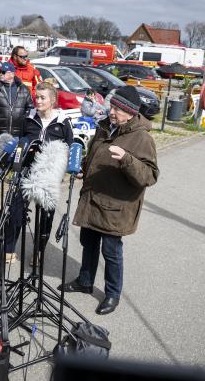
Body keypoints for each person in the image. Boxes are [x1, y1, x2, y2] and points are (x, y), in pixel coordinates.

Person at [61, 86, 159, 315]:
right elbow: (96, 154)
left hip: (117, 207)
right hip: (93, 199)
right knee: (89, 242)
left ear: (130, 112)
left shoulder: (141, 138)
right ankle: (85, 281)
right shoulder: (106, 126)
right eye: (112, 106)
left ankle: (113, 294)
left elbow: (150, 176)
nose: (111, 111)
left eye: (116, 108)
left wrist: (126, 159)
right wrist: (83, 168)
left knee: (111, 252)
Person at [5, 81, 73, 263]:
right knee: (15, 211)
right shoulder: (28, 117)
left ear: (53, 100)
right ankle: (9, 249)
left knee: (45, 216)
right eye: (37, 96)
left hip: (48, 176)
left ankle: (38, 251)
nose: (38, 100)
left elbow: (69, 147)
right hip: (26, 171)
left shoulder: (63, 122)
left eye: (42, 97)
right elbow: (19, 141)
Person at [0, 62, 34, 137]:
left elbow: (30, 108)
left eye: (3, 72)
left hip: (19, 133)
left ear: (12, 74)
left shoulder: (24, 89)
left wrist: (24, 123)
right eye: (0, 72)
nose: (0, 74)